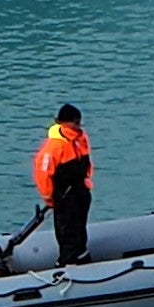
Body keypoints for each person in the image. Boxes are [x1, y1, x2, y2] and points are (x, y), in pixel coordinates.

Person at [31, 104, 94, 269]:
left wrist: (86, 181)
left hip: (80, 190)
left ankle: (81, 256)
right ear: (65, 123)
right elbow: (42, 174)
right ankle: (68, 263)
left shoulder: (80, 138)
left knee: (80, 228)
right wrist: (49, 198)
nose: (79, 125)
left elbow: (86, 162)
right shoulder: (53, 147)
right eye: (76, 122)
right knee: (67, 232)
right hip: (64, 196)